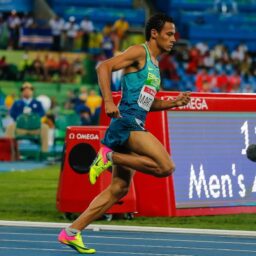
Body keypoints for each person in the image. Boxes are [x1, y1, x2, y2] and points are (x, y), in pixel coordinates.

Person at [58, 13, 191, 254]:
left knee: (118, 189)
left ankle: (71, 231)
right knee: (165, 167)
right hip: (127, 122)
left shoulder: (155, 64)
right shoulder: (138, 52)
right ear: (154, 33)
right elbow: (103, 67)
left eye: (174, 35)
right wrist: (109, 101)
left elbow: (147, 102)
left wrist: (173, 102)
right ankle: (109, 157)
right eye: (169, 34)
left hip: (134, 122)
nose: (173, 39)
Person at [5, 82, 49, 153]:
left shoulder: (37, 103)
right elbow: (12, 113)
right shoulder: (17, 103)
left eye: (29, 90)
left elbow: (42, 113)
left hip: (35, 128)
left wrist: (33, 116)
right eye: (25, 90)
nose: (27, 91)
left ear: (32, 91)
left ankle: (44, 152)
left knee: (45, 127)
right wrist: (21, 116)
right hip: (20, 128)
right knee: (10, 127)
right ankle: (8, 152)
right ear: (22, 92)